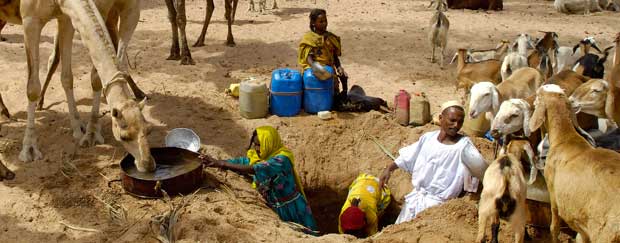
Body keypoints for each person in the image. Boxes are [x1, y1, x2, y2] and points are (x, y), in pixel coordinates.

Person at [378, 100, 487, 224]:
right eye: (452, 120)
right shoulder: (428, 138)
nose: (456, 125)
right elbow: (409, 155)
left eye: (460, 122)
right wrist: (389, 169)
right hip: (414, 201)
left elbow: (478, 171)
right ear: (441, 118)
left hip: (437, 209)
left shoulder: (464, 146)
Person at [200, 126, 318, 233]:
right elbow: (241, 162)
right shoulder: (257, 157)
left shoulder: (282, 159)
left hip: (293, 207)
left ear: (269, 142)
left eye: (260, 145)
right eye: (255, 144)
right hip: (275, 209)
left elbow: (257, 168)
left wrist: (222, 164)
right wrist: (215, 162)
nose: (256, 148)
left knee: (305, 235)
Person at [298, 8, 349, 96]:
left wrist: (339, 67)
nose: (324, 23)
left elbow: (335, 57)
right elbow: (308, 58)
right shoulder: (309, 39)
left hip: (330, 72)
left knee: (343, 78)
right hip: (316, 71)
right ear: (313, 23)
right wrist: (318, 69)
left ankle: (344, 92)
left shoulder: (330, 38)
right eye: (321, 21)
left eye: (325, 21)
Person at [338, 173, 391, 238]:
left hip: (378, 185)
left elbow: (372, 235)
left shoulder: (370, 214)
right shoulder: (343, 215)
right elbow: (342, 235)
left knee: (379, 210)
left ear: (364, 221)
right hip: (359, 181)